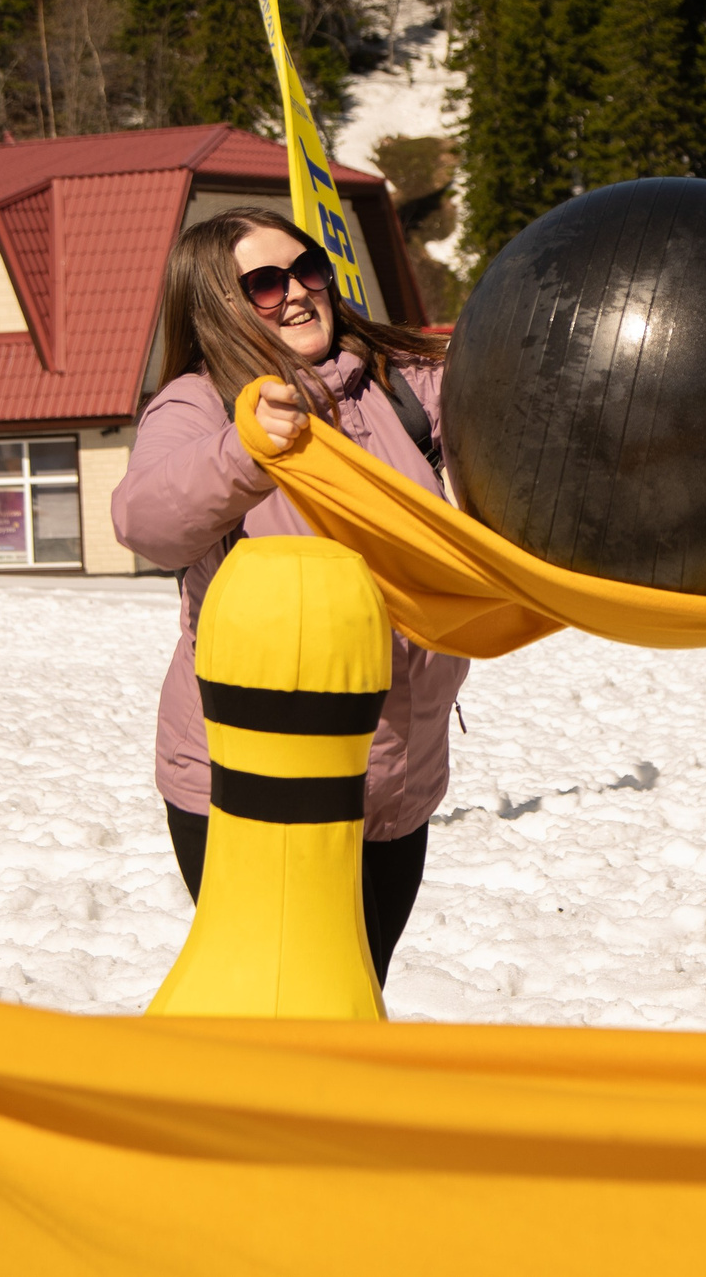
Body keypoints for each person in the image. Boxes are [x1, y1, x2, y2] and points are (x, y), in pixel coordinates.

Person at [113, 209, 462, 983]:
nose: (299, 293)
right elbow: (144, 519)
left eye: (309, 270)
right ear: (217, 305)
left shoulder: (401, 384)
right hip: (255, 787)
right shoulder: (199, 404)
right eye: (266, 284)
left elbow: (518, 400)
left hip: (396, 777)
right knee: (279, 999)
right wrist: (247, 448)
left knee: (357, 993)